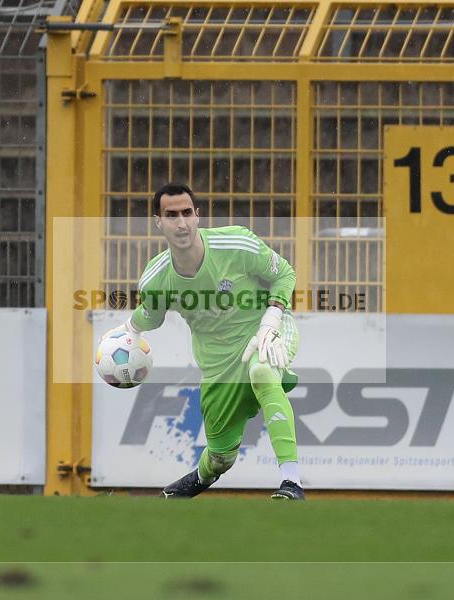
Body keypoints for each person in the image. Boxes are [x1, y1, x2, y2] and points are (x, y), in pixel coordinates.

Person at [101, 183, 304, 500]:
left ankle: (292, 483)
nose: (181, 223)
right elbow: (151, 315)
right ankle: (198, 479)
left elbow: (285, 273)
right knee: (221, 457)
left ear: (197, 215)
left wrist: (271, 320)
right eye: (171, 215)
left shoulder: (236, 244)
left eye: (186, 213)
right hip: (219, 365)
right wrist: (127, 328)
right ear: (158, 222)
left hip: (266, 333)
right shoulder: (157, 278)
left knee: (262, 371)